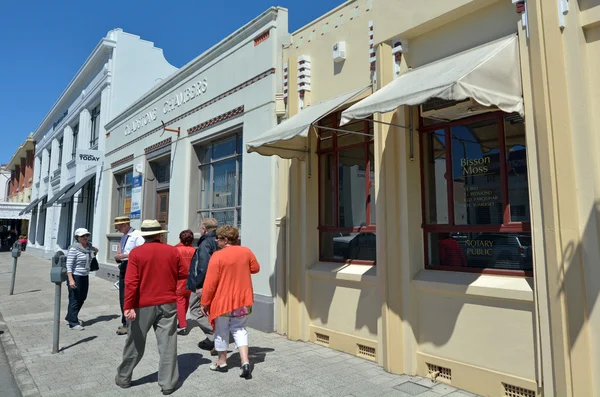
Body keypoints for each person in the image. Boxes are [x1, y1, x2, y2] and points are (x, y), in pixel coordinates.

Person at [115, 219, 186, 395]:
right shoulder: (172, 251)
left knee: (135, 343)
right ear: (160, 234)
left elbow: (131, 282)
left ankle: (124, 378)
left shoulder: (137, 253)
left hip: (142, 304)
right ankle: (168, 383)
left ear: (144, 235)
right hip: (168, 303)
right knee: (168, 344)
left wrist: (128, 305)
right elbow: (184, 274)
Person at [200, 225, 260, 379]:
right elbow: (255, 268)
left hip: (223, 302)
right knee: (240, 329)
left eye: (219, 239)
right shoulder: (246, 251)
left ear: (225, 239)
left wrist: (204, 302)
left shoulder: (218, 256)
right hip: (242, 300)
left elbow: (210, 282)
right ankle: (245, 362)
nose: (217, 241)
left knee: (221, 331)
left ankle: (222, 361)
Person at [186, 218, 218, 353]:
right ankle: (212, 338)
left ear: (204, 229)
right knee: (209, 310)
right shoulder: (218, 240)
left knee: (195, 310)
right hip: (213, 281)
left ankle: (217, 336)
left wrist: (199, 285)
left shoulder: (205, 243)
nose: (199, 230)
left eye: (200, 228)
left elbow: (203, 266)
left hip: (202, 283)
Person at [113, 216, 145, 336]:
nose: (118, 229)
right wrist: (120, 256)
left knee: (129, 294)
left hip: (132, 266)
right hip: (124, 266)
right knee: (123, 295)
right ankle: (125, 320)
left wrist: (126, 256)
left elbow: (141, 252)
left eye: (119, 227)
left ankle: (129, 323)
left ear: (126, 224)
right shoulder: (124, 237)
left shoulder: (137, 235)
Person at [65, 228, 99, 330]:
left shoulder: (89, 247)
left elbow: (93, 253)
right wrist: (71, 279)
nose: (85, 238)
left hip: (85, 275)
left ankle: (70, 316)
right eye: (82, 236)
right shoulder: (73, 249)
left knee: (82, 297)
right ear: (77, 238)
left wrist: (94, 251)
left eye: (87, 235)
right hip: (75, 276)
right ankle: (73, 322)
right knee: (74, 298)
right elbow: (69, 265)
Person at [174, 230, 195, 335]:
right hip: (191, 279)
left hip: (179, 280)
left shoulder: (175, 250)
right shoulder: (194, 250)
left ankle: (182, 324)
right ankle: (182, 321)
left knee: (180, 302)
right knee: (185, 300)